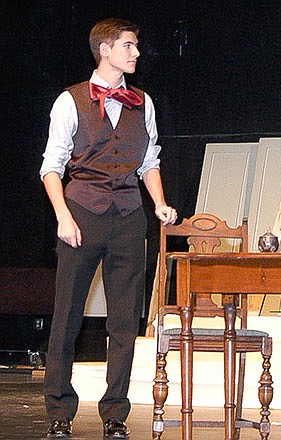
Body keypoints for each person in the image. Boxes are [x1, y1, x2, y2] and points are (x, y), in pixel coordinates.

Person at [40, 18, 178, 439]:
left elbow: (148, 161)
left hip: (129, 217)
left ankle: (115, 413)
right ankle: (59, 412)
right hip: (82, 212)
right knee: (68, 316)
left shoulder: (142, 102)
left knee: (123, 321)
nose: (136, 54)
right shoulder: (71, 101)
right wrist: (64, 216)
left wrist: (159, 203)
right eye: (129, 46)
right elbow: (51, 167)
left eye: (135, 47)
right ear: (106, 50)